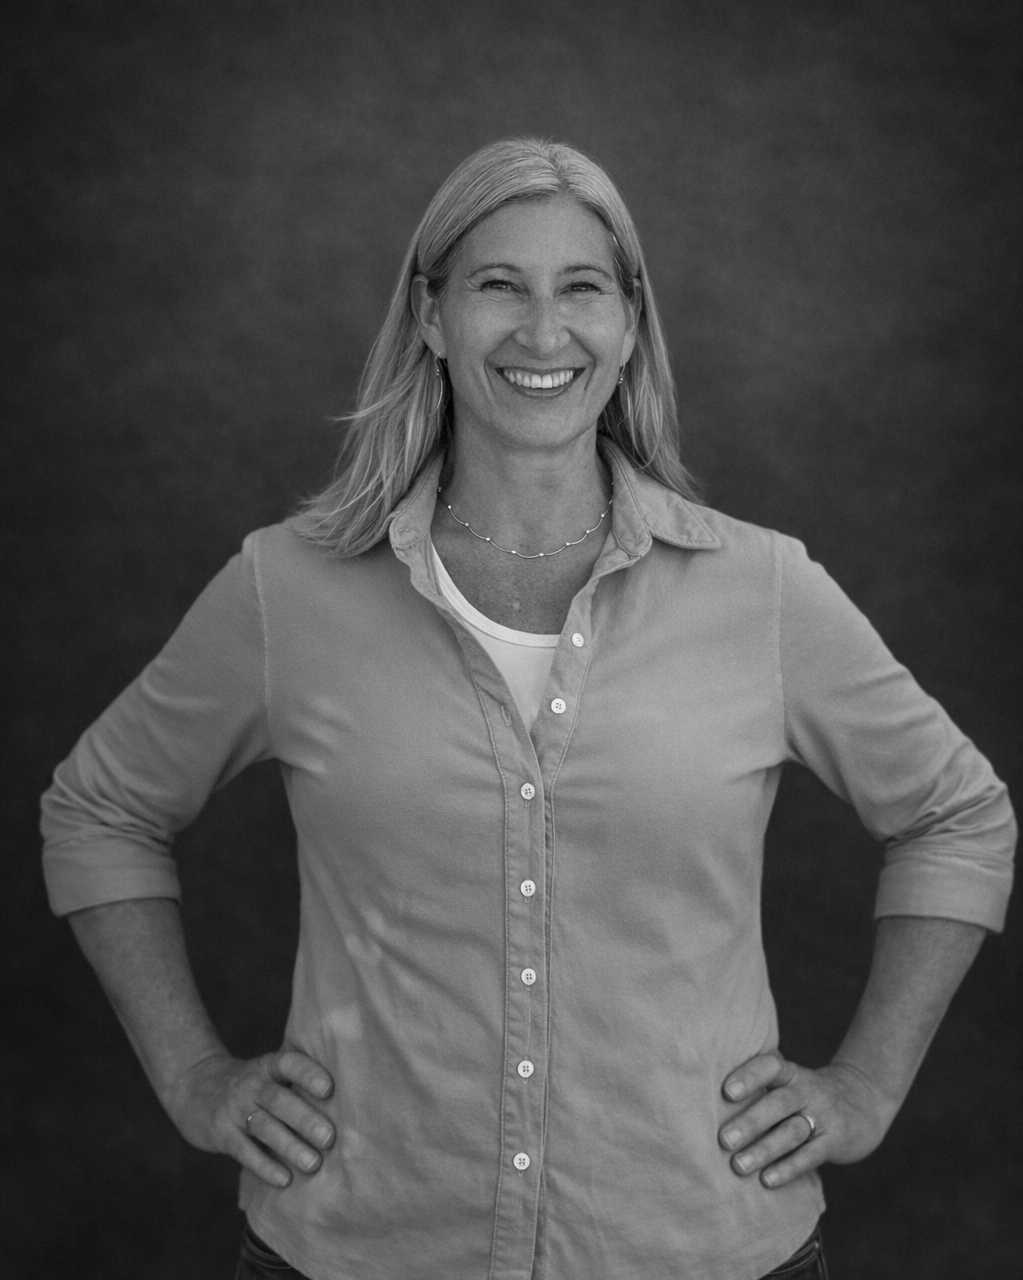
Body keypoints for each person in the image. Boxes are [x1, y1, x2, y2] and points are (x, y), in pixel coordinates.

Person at [42, 138, 1014, 1280]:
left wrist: (866, 1085)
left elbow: (958, 813)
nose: (543, 333)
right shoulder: (286, 588)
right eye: (499, 284)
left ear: (629, 321)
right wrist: (195, 1075)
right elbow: (98, 808)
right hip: (360, 1246)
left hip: (699, 1246)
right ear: (432, 315)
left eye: (582, 288)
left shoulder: (764, 591)